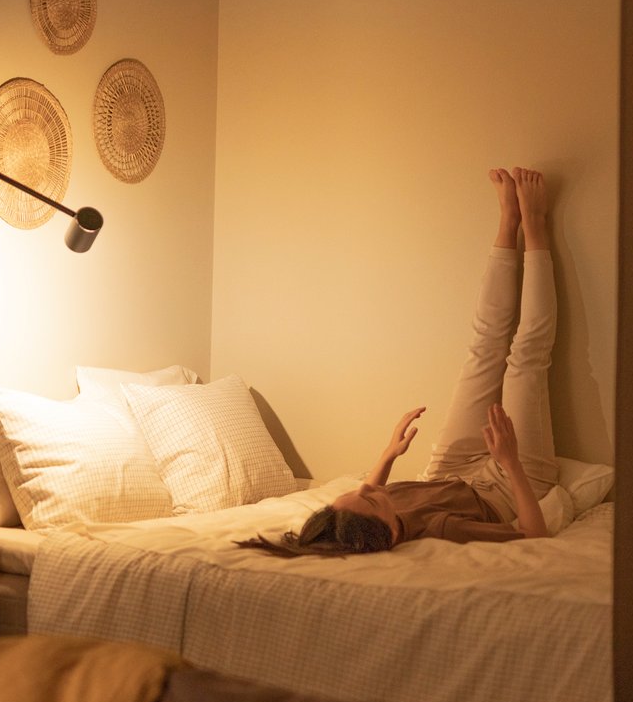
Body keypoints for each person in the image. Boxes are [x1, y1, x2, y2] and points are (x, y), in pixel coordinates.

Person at [237, 167, 558, 556]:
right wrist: (510, 462)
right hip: (507, 485)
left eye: (358, 492)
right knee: (526, 356)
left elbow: (366, 497)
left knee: (483, 348)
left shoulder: (365, 517)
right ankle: (536, 227)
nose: (371, 487)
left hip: (446, 473)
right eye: (371, 499)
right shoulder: (442, 528)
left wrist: (388, 455)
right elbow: (534, 540)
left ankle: (508, 223)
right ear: (390, 534)